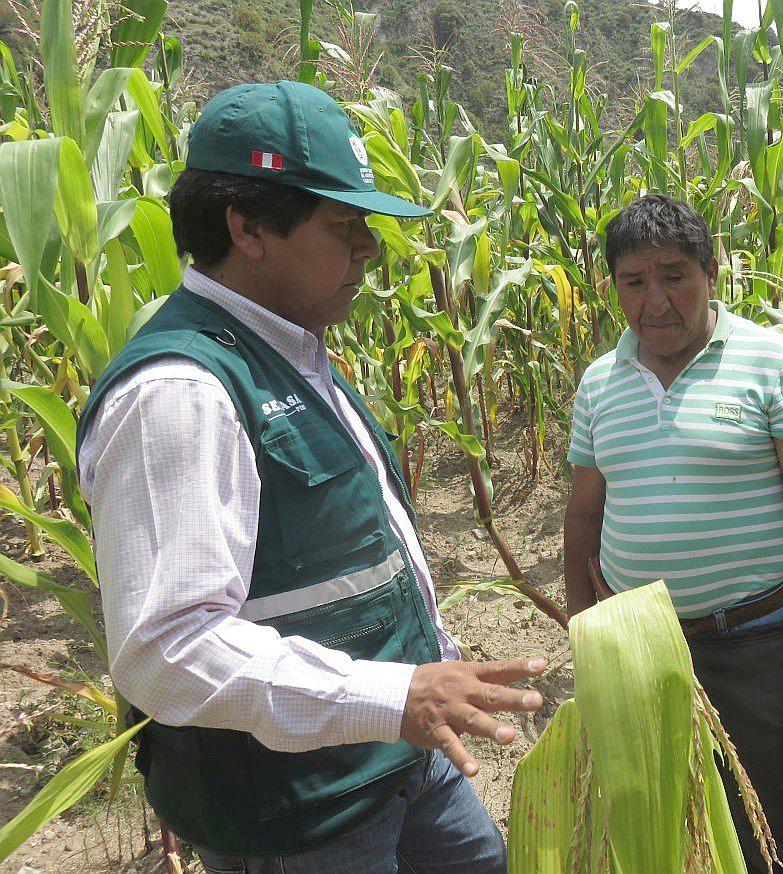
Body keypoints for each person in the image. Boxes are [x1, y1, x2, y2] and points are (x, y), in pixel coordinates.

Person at [75, 81, 546, 873]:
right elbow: (165, 646)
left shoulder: (296, 351)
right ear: (248, 228)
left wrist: (424, 672)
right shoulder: (181, 392)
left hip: (401, 761)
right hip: (299, 814)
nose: (370, 248)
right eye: (345, 224)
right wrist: (395, 695)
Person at [562, 193, 783, 873]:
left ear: (711, 273)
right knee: (660, 825)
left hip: (756, 646)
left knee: (778, 835)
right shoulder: (601, 385)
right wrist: (586, 638)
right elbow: (582, 518)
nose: (655, 301)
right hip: (643, 650)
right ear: (614, 290)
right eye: (634, 282)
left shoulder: (773, 363)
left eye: (674, 276)